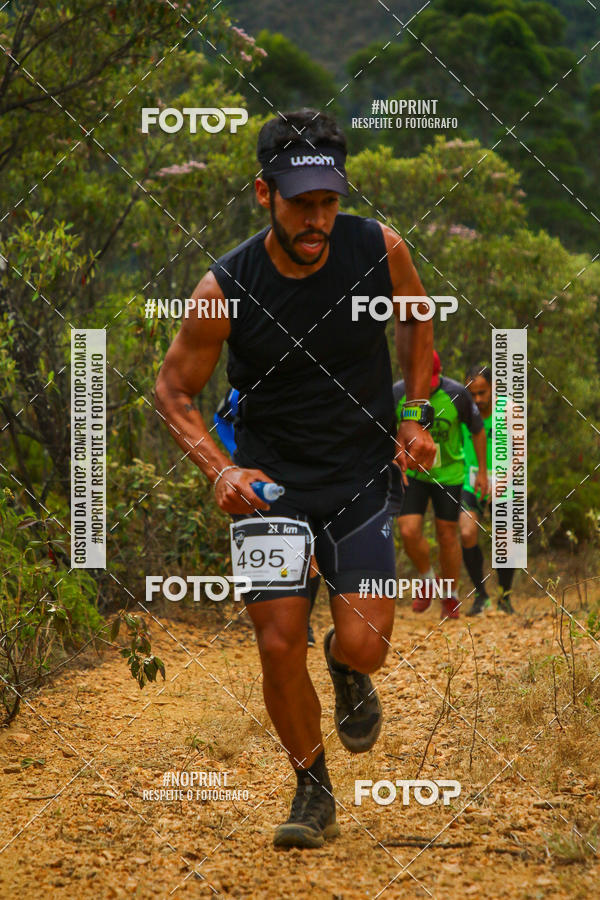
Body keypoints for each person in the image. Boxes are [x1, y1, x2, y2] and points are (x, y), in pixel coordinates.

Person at [154, 108, 436, 849]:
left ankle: (348, 671)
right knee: (278, 641)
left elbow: (417, 320)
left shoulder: (380, 250)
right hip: (271, 485)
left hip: (362, 472)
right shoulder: (224, 289)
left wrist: (414, 414)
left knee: (366, 642)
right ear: (262, 193)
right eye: (299, 203)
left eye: (328, 202)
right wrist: (222, 468)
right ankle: (312, 790)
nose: (316, 219)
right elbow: (173, 392)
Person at [214, 387, 320, 645]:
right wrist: (235, 456)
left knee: (311, 556)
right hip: (260, 480)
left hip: (311, 477)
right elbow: (220, 418)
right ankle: (274, 623)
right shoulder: (243, 388)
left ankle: (302, 622)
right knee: (277, 553)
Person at [394, 351, 487, 619]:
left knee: (447, 534)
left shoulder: (457, 393)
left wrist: (481, 471)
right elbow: (389, 432)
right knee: (408, 530)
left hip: (449, 474)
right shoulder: (398, 394)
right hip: (414, 474)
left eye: (432, 379)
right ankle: (427, 579)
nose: (428, 385)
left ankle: (451, 594)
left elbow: (477, 431)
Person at [459, 365, 515, 615]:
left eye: (482, 393)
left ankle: (505, 597)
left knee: (505, 540)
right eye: (472, 394)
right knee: (467, 531)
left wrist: (504, 480)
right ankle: (481, 597)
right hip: (471, 480)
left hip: (503, 480)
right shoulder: (462, 411)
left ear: (492, 388)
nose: (478, 399)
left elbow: (520, 451)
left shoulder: (509, 409)